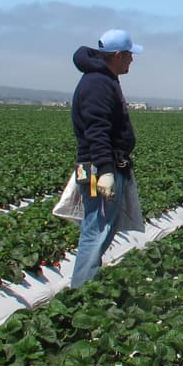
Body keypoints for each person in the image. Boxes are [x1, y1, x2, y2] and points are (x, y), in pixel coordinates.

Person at [69, 29, 144, 288]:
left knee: (101, 229)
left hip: (104, 165)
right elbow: (96, 130)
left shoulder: (104, 79)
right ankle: (80, 294)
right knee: (96, 231)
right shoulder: (97, 83)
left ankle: (88, 284)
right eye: (130, 56)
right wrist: (106, 170)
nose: (132, 61)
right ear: (118, 55)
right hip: (98, 168)